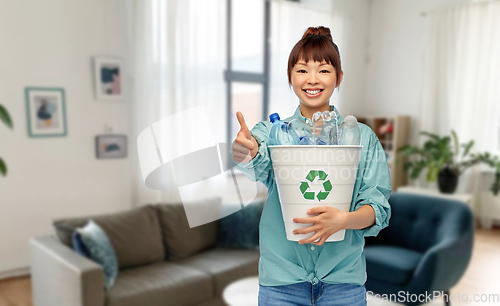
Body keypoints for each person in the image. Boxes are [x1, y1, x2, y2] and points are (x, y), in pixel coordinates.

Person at [231, 26, 391, 306]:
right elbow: (257, 163)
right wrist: (246, 151)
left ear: (339, 77)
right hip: (282, 283)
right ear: (290, 77)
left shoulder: (362, 137)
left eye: (324, 70)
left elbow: (377, 208)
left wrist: (343, 220)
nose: (312, 79)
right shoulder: (273, 132)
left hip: (343, 282)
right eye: (302, 70)